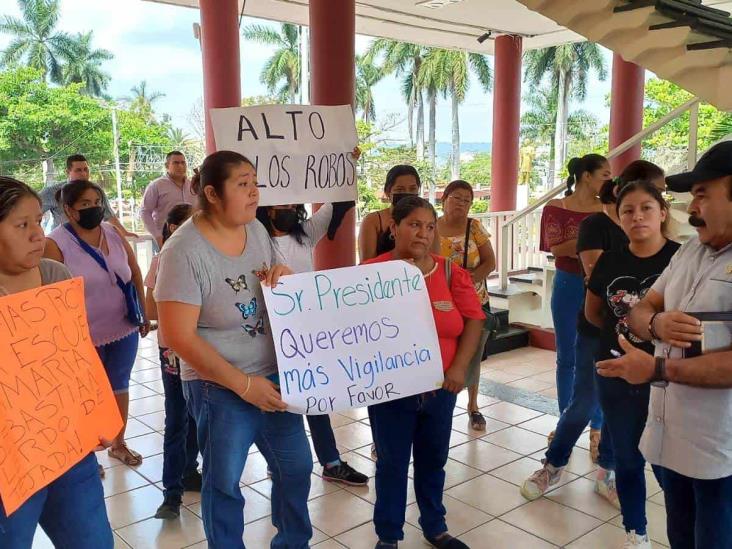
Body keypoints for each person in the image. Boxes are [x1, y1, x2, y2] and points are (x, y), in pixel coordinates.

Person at [154, 150, 313, 548]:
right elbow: (178, 336)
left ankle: (293, 542)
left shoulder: (256, 230)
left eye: (255, 183)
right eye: (242, 184)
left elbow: (274, 282)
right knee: (224, 483)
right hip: (217, 387)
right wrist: (243, 386)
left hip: (273, 374)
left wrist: (283, 277)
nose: (254, 192)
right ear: (211, 192)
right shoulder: (182, 251)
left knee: (295, 468)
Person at [598, 141, 732, 549]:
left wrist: (656, 368)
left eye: (703, 196)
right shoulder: (691, 252)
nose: (691, 210)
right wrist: (656, 322)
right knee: (679, 536)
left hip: (719, 452)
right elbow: (642, 308)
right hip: (671, 437)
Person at [521, 160, 666, 503]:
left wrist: (647, 333)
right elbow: (595, 304)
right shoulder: (599, 231)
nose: (638, 215)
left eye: (652, 203)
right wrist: (626, 333)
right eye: (631, 207)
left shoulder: (672, 250)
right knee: (585, 400)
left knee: (626, 405)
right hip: (599, 333)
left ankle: (607, 470)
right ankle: (553, 464)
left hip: (644, 340)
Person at [0, 176, 114, 549]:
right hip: (10, 463)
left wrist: (98, 416)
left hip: (67, 445)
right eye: (22, 225)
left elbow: (78, 358)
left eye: (37, 221)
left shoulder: (55, 277)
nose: (37, 235)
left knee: (93, 540)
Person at [364, 196, 484, 549]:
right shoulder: (371, 273)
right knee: (392, 463)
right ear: (394, 228)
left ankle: (435, 526)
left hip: (440, 389)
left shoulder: (449, 272)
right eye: (414, 224)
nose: (423, 232)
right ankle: (388, 535)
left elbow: (474, 320)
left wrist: (460, 368)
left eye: (429, 226)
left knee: (433, 460)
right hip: (390, 392)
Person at [256, 178, 369, 485]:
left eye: (294, 205)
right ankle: (277, 459)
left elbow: (340, 200)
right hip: (267, 337)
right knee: (278, 402)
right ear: (266, 208)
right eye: (283, 205)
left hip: (306, 335)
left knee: (315, 398)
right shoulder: (252, 241)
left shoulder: (306, 235)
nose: (289, 209)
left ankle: (331, 462)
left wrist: (347, 165)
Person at [586, 180, 679, 548]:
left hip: (668, 375)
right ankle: (636, 532)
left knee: (667, 462)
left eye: (646, 208)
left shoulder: (682, 257)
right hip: (616, 372)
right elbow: (594, 313)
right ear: (618, 217)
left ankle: (682, 531)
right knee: (627, 457)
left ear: (663, 213)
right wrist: (623, 340)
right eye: (627, 210)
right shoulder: (611, 259)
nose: (637, 216)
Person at [44, 180, 149, 470]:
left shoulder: (113, 233)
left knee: (119, 385)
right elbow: (51, 294)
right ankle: (88, 451)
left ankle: (118, 443)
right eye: (85, 205)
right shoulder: (55, 243)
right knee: (87, 393)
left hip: (123, 326)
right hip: (82, 336)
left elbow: (135, 272)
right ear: (69, 210)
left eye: (96, 202)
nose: (93, 209)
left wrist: (142, 312)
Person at [539, 154, 609, 448]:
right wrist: (592, 244)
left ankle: (598, 427)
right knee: (566, 356)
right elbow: (556, 249)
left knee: (602, 357)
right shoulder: (556, 208)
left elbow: (616, 247)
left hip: (602, 286)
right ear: (586, 176)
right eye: (605, 174)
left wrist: (578, 246)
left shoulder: (609, 210)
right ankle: (566, 422)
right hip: (568, 284)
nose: (610, 180)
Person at [143, 203, 202, 519]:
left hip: (205, 353)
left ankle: (189, 472)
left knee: (200, 419)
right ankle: (172, 494)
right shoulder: (161, 260)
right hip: (174, 354)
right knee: (177, 420)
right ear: (170, 230)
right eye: (183, 226)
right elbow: (151, 312)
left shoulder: (208, 258)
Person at [436, 180, 496, 431]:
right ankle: (439, 402)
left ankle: (473, 406)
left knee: (472, 355)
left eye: (467, 200)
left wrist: (465, 280)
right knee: (443, 354)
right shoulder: (432, 227)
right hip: (441, 304)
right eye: (456, 198)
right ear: (444, 199)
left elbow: (489, 262)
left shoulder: (476, 228)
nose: (461, 204)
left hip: (474, 301)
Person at [39, 154, 137, 237]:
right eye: (78, 170)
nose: (84, 174)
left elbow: (108, 214)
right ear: (68, 172)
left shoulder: (96, 190)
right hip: (62, 242)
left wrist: (124, 232)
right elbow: (33, 212)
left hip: (91, 240)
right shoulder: (52, 192)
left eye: (86, 169)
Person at [359, 164, 421, 261]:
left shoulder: (428, 219)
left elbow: (435, 260)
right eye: (400, 189)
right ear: (388, 192)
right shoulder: (373, 221)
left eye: (412, 189)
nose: (407, 193)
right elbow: (366, 264)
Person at [140, 151, 195, 249]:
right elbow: (145, 212)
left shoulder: (193, 186)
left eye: (183, 163)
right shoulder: (157, 185)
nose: (180, 166)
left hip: (190, 237)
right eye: (176, 163)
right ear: (167, 165)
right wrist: (157, 235)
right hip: (165, 238)